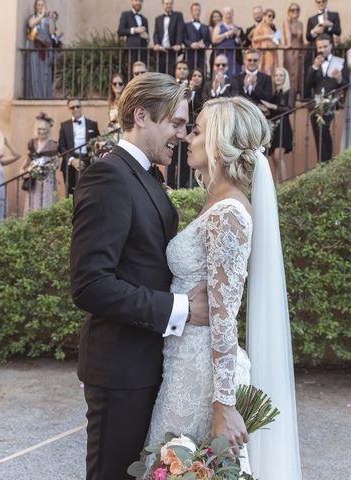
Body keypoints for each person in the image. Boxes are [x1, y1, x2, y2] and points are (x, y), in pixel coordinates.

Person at [144, 95, 301, 479]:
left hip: (202, 375)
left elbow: (225, 315)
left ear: (218, 142)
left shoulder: (229, 212)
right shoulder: (214, 203)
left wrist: (223, 407)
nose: (188, 138)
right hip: (183, 362)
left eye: (196, 130)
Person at [70, 72, 209, 480]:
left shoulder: (146, 176)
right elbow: (90, 284)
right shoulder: (108, 176)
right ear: (141, 115)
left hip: (150, 362)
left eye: (186, 126)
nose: (182, 135)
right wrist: (182, 307)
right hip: (120, 369)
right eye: (176, 123)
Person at [305, 33, 348, 163]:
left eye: (325, 46)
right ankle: (321, 161)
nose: (322, 49)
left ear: (331, 46)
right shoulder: (315, 62)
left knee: (323, 128)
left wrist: (339, 78)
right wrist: (314, 67)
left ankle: (327, 160)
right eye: (320, 47)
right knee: (317, 133)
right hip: (315, 103)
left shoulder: (340, 62)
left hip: (331, 101)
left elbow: (346, 82)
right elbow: (307, 85)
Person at [58, 98, 100, 196]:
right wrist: (72, 160)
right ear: (69, 109)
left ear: (81, 107)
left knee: (88, 191)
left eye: (78, 106)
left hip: (88, 161)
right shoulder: (64, 125)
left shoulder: (92, 124)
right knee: (70, 193)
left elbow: (97, 142)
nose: (75, 109)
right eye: (72, 107)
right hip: (70, 163)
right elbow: (61, 147)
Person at [260, 67, 294, 182]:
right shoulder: (272, 93)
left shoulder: (289, 91)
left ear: (285, 78)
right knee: (274, 158)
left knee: (278, 156)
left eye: (281, 75)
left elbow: (290, 109)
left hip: (284, 127)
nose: (278, 78)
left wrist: (272, 106)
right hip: (274, 127)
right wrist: (266, 110)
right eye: (276, 75)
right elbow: (272, 113)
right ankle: (277, 185)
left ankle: (284, 184)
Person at [21, 112, 59, 213]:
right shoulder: (32, 142)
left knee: (47, 201)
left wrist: (44, 168)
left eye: (44, 129)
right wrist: (22, 169)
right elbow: (29, 158)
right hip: (34, 178)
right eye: (39, 129)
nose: (41, 131)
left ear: (48, 130)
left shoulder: (52, 144)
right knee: (33, 200)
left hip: (47, 178)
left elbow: (56, 163)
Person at [26, 0, 56, 98]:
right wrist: (42, 15)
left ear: (45, 6)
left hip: (46, 49)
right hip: (35, 49)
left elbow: (52, 32)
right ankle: (35, 96)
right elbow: (31, 25)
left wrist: (51, 19)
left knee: (45, 73)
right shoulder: (32, 17)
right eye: (38, 5)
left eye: (42, 5)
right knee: (35, 73)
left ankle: (45, 96)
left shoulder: (48, 19)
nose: (40, 6)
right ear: (35, 7)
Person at [153, 0, 185, 74]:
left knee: (171, 72)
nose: (168, 5)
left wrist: (178, 44)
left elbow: (180, 30)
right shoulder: (158, 18)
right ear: (163, 5)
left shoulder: (178, 15)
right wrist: (156, 44)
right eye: (166, 4)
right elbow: (156, 33)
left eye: (170, 4)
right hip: (161, 50)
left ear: (172, 4)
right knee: (160, 72)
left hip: (172, 49)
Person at [282, 3, 305, 107]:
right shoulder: (286, 22)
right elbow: (287, 36)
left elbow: (302, 40)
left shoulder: (300, 23)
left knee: (298, 74)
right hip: (290, 50)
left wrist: (304, 51)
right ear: (289, 12)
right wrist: (288, 45)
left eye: (297, 10)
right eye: (292, 10)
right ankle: (289, 99)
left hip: (298, 50)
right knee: (291, 73)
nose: (295, 12)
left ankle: (296, 97)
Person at [212, 7, 244, 76]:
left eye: (230, 14)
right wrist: (227, 34)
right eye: (226, 14)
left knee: (234, 74)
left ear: (233, 14)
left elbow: (242, 44)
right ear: (223, 15)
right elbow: (214, 40)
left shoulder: (237, 28)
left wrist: (237, 36)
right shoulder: (219, 26)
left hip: (234, 56)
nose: (228, 16)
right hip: (221, 53)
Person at [118, 0, 149, 67]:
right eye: (136, 0)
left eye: (140, 1)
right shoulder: (125, 15)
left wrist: (147, 37)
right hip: (131, 51)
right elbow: (120, 31)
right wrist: (134, 30)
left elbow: (147, 37)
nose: (138, 3)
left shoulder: (144, 19)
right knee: (130, 72)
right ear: (131, 1)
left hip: (143, 52)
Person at [249, 8, 279, 75]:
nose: (271, 18)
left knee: (271, 73)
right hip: (264, 54)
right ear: (264, 16)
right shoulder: (260, 26)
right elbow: (254, 39)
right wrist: (268, 36)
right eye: (269, 16)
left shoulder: (271, 28)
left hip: (272, 54)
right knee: (265, 73)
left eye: (273, 16)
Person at [184, 2, 211, 73]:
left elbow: (208, 40)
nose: (197, 12)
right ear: (191, 12)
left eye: (199, 10)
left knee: (201, 73)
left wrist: (205, 46)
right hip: (189, 55)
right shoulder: (186, 26)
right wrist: (191, 44)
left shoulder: (205, 27)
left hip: (201, 56)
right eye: (195, 10)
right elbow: (183, 39)